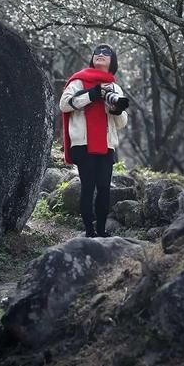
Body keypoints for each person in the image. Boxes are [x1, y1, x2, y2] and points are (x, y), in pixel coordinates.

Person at [59, 44, 129, 237]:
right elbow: (64, 105)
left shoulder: (115, 87)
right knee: (88, 187)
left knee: (104, 188)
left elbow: (122, 122)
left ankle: (101, 230)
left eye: (106, 52)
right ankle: (89, 232)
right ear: (92, 59)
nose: (100, 54)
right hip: (83, 143)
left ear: (112, 61)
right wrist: (92, 95)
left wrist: (115, 108)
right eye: (97, 52)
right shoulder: (78, 81)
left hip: (106, 145)